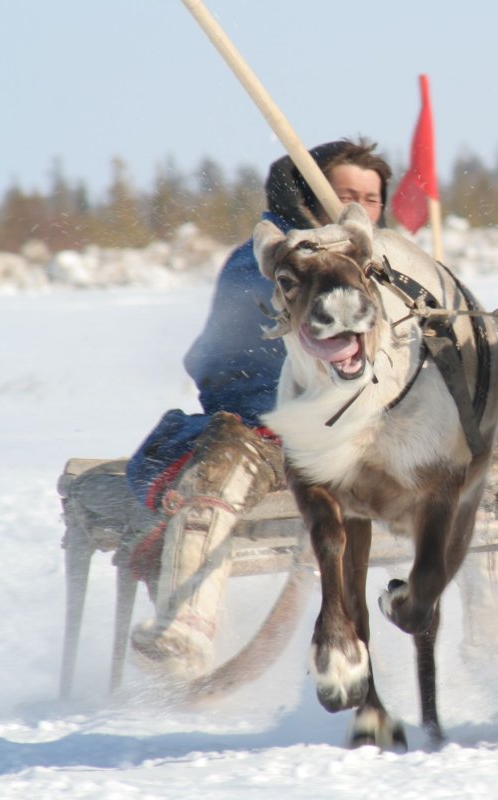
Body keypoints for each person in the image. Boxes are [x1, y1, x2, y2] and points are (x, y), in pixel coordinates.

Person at [125, 138, 392, 680]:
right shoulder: (264, 263)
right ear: (308, 195)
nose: (359, 208)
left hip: (373, 435)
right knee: (222, 462)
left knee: (482, 463)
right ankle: (186, 627)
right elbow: (234, 362)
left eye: (371, 198)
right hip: (267, 430)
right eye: (345, 194)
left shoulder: (390, 268)